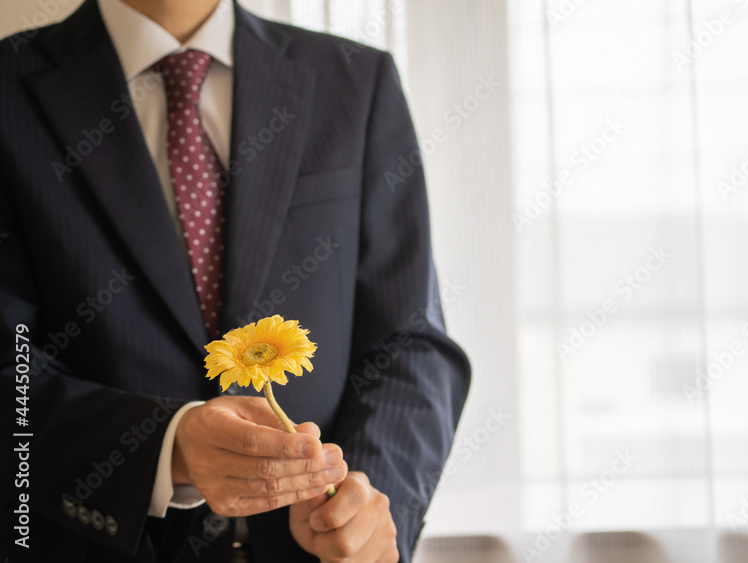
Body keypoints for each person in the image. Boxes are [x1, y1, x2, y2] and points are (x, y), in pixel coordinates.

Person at [0, 0, 471, 561]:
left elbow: (409, 342)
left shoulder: (354, 79)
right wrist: (165, 445)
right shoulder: (9, 89)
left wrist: (362, 507)